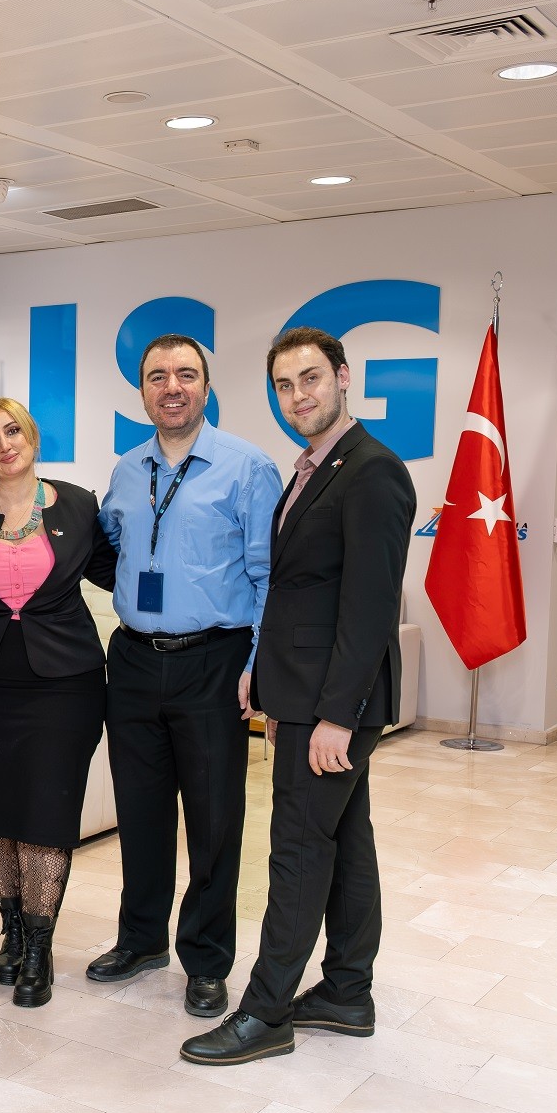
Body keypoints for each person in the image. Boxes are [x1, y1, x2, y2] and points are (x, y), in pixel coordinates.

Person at [182, 327, 415, 1066]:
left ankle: (266, 1011)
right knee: (346, 842)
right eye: (284, 386)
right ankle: (346, 989)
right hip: (303, 694)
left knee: (298, 849)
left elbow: (370, 609)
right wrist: (271, 684)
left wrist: (337, 716)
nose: (298, 396)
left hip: (334, 705)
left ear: (343, 377)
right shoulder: (315, 468)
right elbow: (299, 593)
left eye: (310, 378)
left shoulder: (373, 471)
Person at [93, 333, 282, 1019]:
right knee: (140, 814)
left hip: (214, 663)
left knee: (213, 820)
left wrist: (257, 667)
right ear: (141, 389)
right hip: (134, 660)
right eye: (157, 376)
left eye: (185, 374)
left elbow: (270, 578)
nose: (171, 387)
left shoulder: (248, 469)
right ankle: (141, 939)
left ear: (206, 385)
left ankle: (206, 958)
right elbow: (114, 548)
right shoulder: (126, 469)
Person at [0, 399, 115, 1008]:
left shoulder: (79, 504)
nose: (4, 444)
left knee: (46, 810)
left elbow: (118, 572)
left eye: (12, 431)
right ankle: (12, 932)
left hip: (63, 682)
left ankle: (39, 947)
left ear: (33, 437)